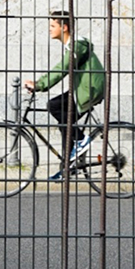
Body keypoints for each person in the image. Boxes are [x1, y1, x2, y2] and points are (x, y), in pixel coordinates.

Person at [24, 10, 105, 178]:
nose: (49, 29)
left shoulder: (77, 46)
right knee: (65, 124)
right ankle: (68, 168)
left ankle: (82, 140)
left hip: (89, 89)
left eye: (53, 26)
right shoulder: (72, 46)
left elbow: (63, 68)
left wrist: (39, 85)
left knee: (54, 106)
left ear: (64, 27)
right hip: (83, 87)